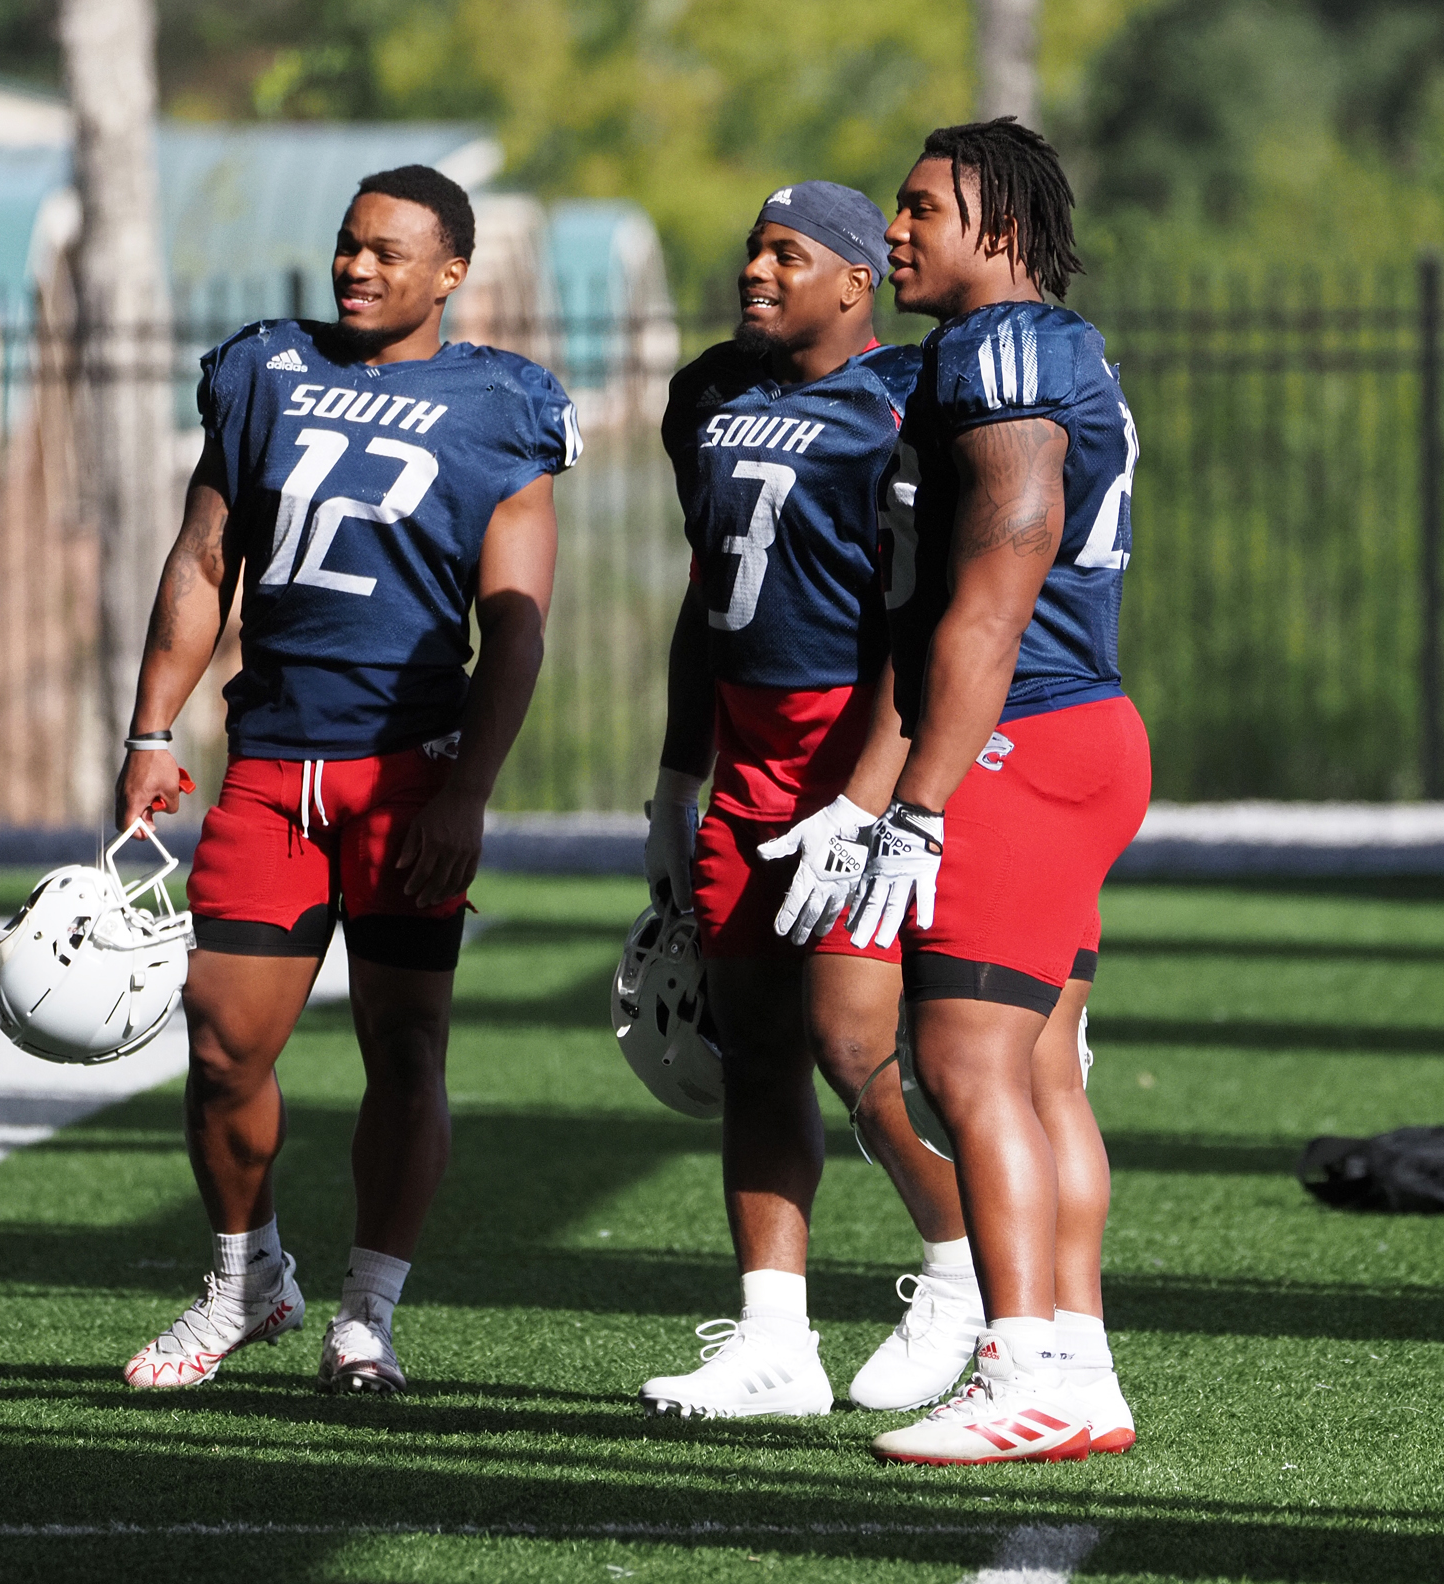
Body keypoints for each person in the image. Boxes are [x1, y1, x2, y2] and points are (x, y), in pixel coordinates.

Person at [115, 165, 578, 1394]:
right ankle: (246, 1283)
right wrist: (151, 727)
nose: (357, 268)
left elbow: (517, 627)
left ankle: (367, 1311)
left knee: (406, 1045)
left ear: (450, 272)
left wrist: (466, 792)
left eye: (387, 251)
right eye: (345, 245)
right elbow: (204, 557)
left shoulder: (501, 404)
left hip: (406, 773)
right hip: (272, 766)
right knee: (221, 1044)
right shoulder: (265, 370)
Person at [635, 182, 983, 1419]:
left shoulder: (902, 401)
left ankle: (961, 1270)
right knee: (755, 1052)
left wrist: (870, 795)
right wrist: (679, 776)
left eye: (787, 254)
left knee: (849, 1040)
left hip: (850, 757)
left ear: (854, 281)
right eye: (749, 249)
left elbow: (923, 622)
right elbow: (704, 599)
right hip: (743, 761)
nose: (755, 271)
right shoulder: (707, 393)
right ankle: (774, 1341)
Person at [839, 120, 1150, 1465]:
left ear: (1004, 229)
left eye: (921, 208)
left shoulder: (1005, 347)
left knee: (963, 1063)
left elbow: (1004, 572)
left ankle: (1023, 1363)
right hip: (1073, 731)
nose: (893, 231)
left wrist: (920, 800)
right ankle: (1074, 1360)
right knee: (1037, 1072)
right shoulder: (1007, 351)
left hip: (1018, 736)